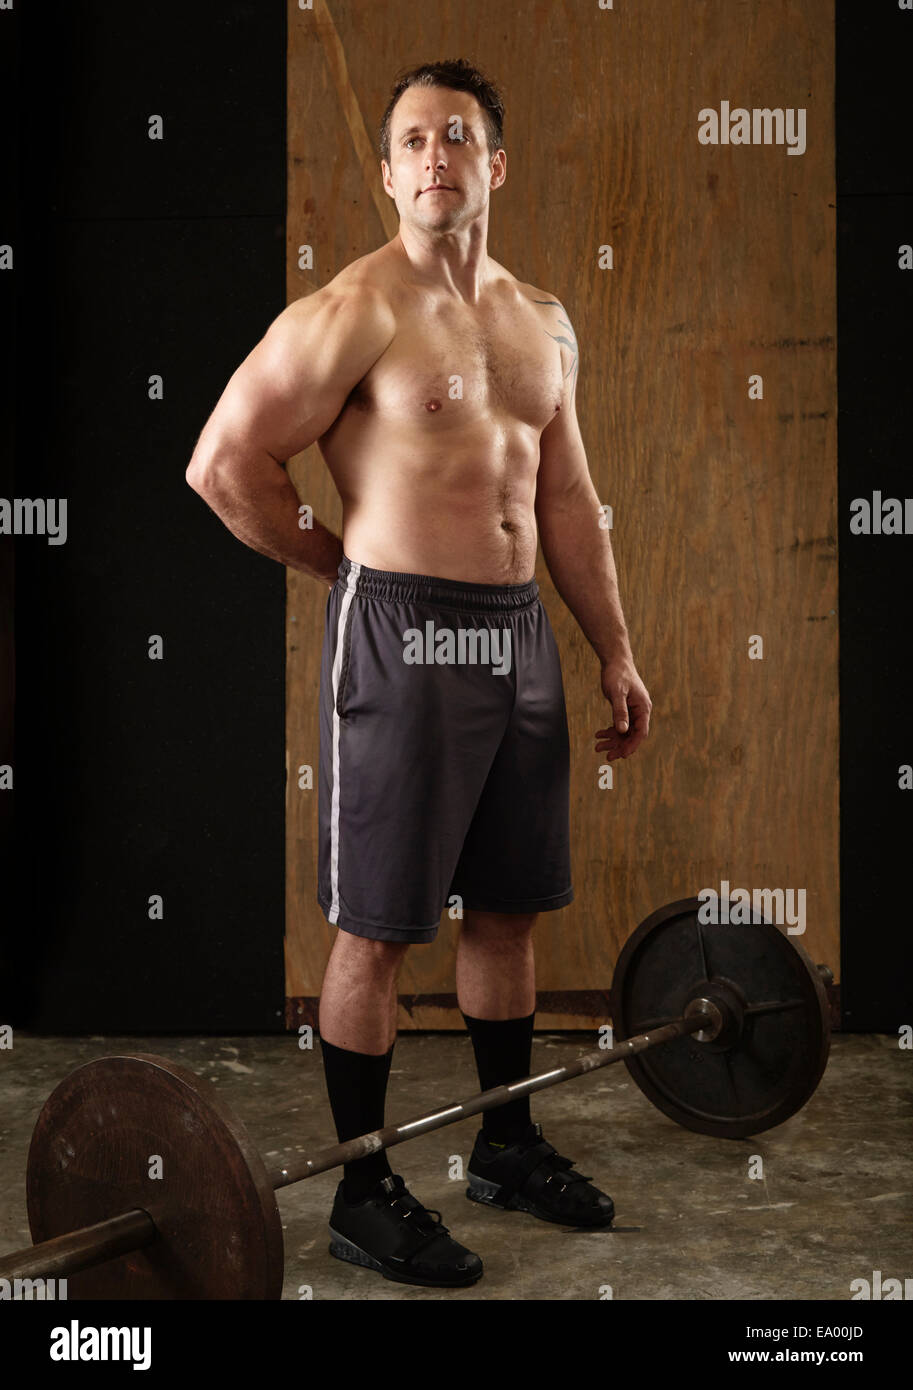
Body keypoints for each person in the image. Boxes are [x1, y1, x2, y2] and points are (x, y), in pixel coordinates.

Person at [186, 57, 652, 1289]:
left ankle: (503, 1142)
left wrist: (612, 646)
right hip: (399, 632)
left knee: (506, 909)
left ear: (493, 165)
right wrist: (335, 565)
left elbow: (569, 501)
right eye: (410, 140)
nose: (433, 154)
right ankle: (364, 1186)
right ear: (388, 171)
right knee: (381, 925)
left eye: (457, 136)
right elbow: (223, 462)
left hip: (517, 635)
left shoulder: (543, 317)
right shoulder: (353, 310)